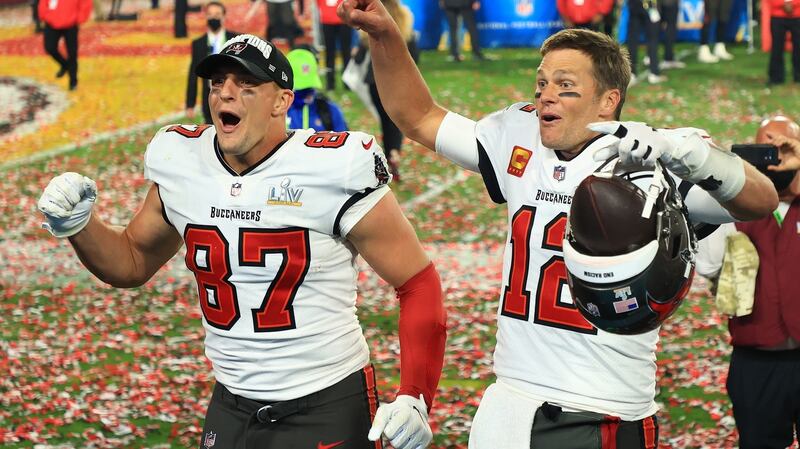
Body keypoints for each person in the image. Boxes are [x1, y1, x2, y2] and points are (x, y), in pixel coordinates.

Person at [337, 1, 779, 445]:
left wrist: (690, 153)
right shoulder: (519, 135)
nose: (546, 94)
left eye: (565, 85)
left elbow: (760, 201)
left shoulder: (651, 161)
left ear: (609, 101)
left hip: (605, 405)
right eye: (542, 82)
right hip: (510, 397)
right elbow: (418, 117)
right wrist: (385, 36)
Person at [37, 34, 446, 449]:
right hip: (230, 405)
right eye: (218, 83)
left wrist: (415, 394)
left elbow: (417, 282)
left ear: (281, 102)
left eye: (246, 85)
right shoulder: (183, 162)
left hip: (327, 403)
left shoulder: (332, 168)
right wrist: (79, 226)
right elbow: (132, 261)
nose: (226, 94)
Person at [696, 115, 800, 449]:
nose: (775, 159)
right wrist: (726, 189)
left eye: (783, 149)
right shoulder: (733, 208)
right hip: (755, 360)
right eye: (764, 150)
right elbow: (707, 264)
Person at [355, 0, 419, 181]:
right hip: (398, 81)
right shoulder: (405, 19)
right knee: (396, 122)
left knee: (385, 120)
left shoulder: (370, 18)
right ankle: (394, 153)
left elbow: (359, 58)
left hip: (375, 81)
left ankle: (389, 157)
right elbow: (415, 55)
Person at [186, 1, 239, 124]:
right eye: (210, 14)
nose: (213, 17)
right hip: (209, 96)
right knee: (210, 131)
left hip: (233, 95)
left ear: (224, 16)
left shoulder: (235, 40)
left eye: (217, 14)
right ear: (205, 16)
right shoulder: (198, 43)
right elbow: (193, 74)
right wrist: (190, 104)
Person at [286, 48, 349, 131]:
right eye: (300, 88)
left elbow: (345, 140)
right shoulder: (277, 113)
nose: (306, 93)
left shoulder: (330, 110)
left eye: (309, 87)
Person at [38, 0, 91, 91]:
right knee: (50, 48)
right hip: (52, 23)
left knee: (72, 53)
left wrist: (79, 18)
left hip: (71, 24)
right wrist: (46, 16)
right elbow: (43, 3)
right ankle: (65, 65)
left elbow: (85, 3)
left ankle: (73, 82)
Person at [626, 0, 666, 84]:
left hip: (635, 5)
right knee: (652, 39)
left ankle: (632, 73)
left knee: (633, 40)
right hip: (649, 5)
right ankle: (653, 73)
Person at [317, 0, 355, 90]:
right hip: (328, 20)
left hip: (343, 19)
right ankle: (330, 83)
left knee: (345, 52)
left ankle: (347, 82)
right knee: (330, 53)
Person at [766, 0, 800, 85]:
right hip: (777, 15)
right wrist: (782, 4)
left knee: (798, 47)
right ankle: (776, 77)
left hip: (797, 14)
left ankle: (798, 75)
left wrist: (793, 4)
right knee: (777, 48)